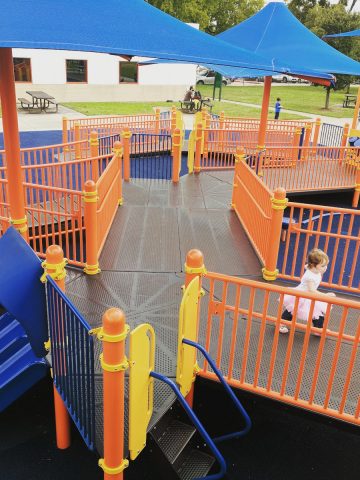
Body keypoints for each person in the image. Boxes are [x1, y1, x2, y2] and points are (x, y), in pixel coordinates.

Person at [279, 248, 336, 334]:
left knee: (317, 313)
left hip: (309, 296)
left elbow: (307, 266)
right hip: (302, 295)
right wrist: (325, 295)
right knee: (292, 310)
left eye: (326, 265)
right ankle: (281, 323)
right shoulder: (310, 276)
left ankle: (318, 329)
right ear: (313, 265)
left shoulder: (315, 270)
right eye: (323, 266)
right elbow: (311, 290)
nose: (326, 268)